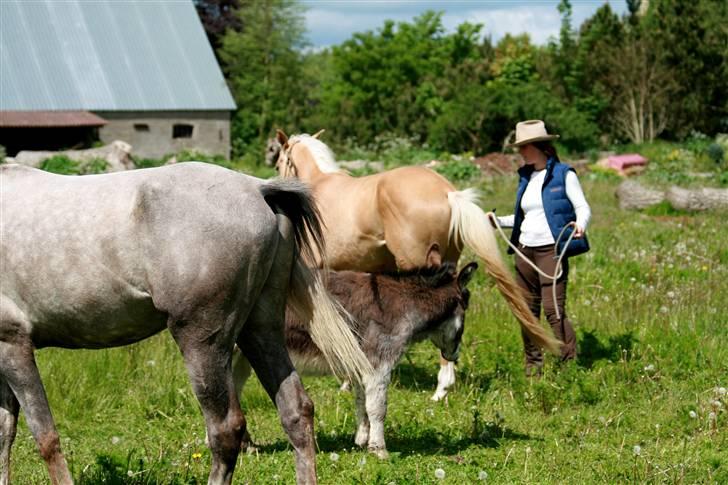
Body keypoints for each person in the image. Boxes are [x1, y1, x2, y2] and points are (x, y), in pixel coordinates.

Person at [496, 120, 591, 377]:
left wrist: (580, 225)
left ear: (539, 146)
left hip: (552, 251)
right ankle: (533, 367)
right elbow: (524, 217)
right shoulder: (526, 178)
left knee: (553, 310)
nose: (521, 152)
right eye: (520, 147)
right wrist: (497, 221)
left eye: (525, 147)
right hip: (524, 251)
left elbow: (582, 207)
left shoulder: (564, 174)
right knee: (527, 312)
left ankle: (569, 362)